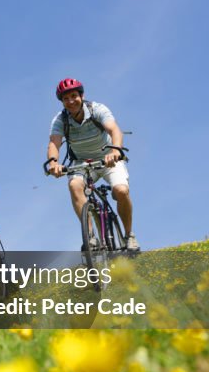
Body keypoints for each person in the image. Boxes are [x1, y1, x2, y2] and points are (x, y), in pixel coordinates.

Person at [43, 78, 139, 252]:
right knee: (74, 185)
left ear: (82, 95)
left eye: (74, 96)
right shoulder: (60, 120)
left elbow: (114, 130)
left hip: (108, 158)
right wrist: (53, 162)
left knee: (121, 191)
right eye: (66, 99)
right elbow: (54, 143)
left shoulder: (97, 109)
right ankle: (91, 237)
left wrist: (115, 150)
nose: (71, 101)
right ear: (62, 102)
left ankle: (128, 235)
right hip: (81, 162)